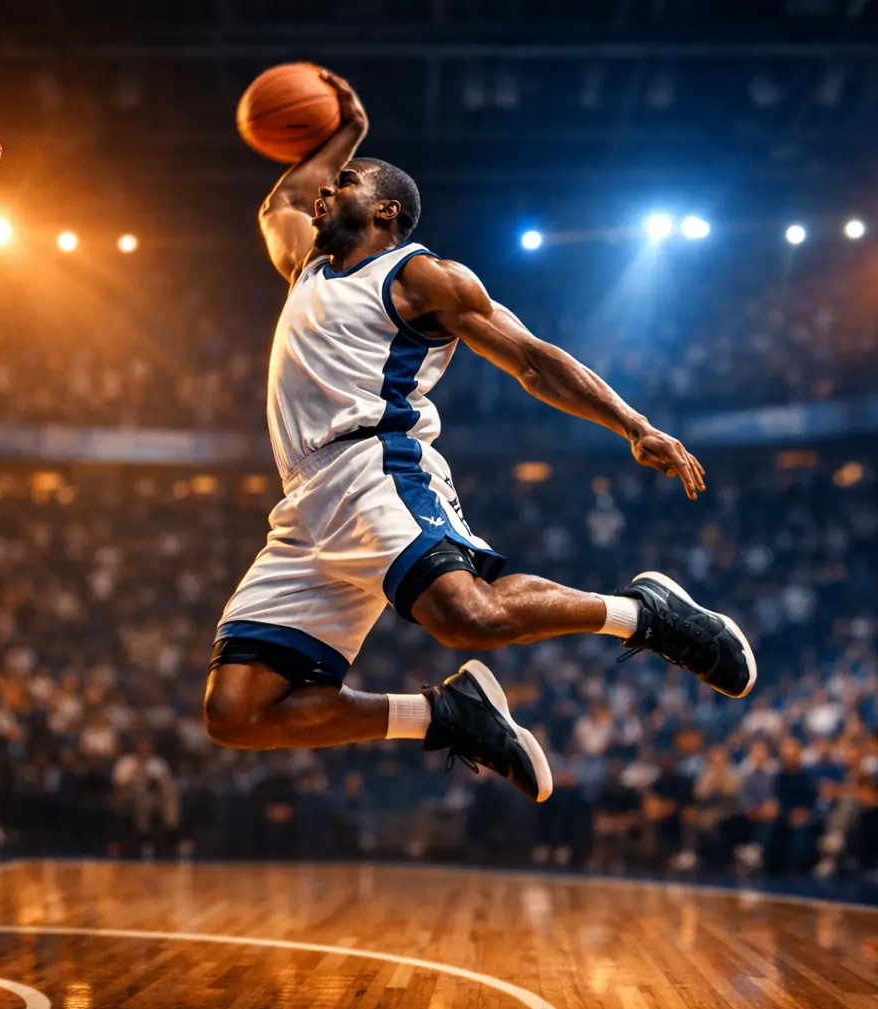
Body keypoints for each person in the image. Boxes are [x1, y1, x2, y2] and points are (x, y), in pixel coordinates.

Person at [203, 68, 756, 804]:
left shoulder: (420, 277)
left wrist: (633, 423)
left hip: (375, 464)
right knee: (238, 713)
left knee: (470, 615)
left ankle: (647, 616)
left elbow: (533, 361)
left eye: (347, 182)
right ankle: (446, 716)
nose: (326, 190)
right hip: (306, 505)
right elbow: (282, 201)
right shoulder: (306, 268)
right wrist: (349, 131)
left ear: (387, 209)